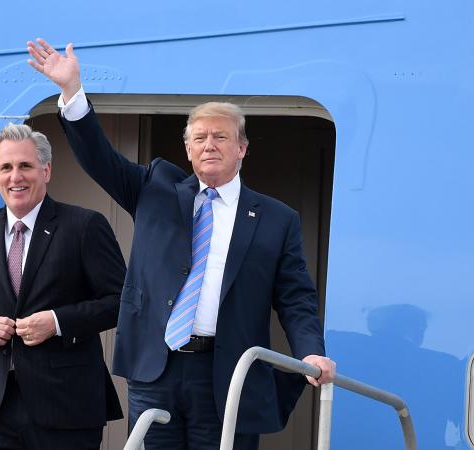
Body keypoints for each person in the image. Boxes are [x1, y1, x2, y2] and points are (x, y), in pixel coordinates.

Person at [27, 38, 336, 449]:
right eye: (201, 137)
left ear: (242, 148)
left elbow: (297, 298)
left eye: (221, 137)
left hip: (228, 373)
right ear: (188, 149)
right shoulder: (155, 187)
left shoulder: (277, 218)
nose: (210, 144)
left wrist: (311, 352)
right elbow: (99, 157)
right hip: (158, 369)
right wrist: (71, 91)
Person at [0, 123, 125, 450]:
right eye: (6, 167)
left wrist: (57, 322)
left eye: (25, 166)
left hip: (66, 406)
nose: (15, 176)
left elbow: (122, 301)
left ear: (46, 170)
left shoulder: (84, 226)